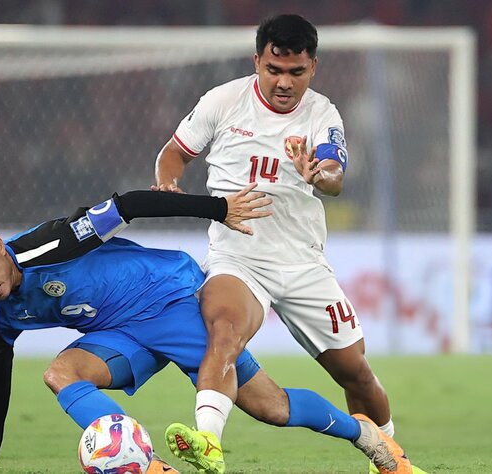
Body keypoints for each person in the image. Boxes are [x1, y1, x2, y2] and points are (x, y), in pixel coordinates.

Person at [0, 186, 410, 474]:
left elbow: (130, 205)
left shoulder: (52, 242)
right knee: (61, 373)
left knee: (271, 407)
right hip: (119, 335)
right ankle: (145, 464)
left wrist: (219, 209)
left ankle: (367, 437)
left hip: (169, 299)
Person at [153, 13, 420, 474]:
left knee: (354, 372)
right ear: (257, 61)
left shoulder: (322, 114)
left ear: (312, 67)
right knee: (224, 331)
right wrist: (169, 184)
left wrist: (320, 173)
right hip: (238, 255)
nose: (283, 82)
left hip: (302, 263)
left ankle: (391, 457)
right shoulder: (223, 101)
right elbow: (172, 154)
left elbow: (335, 177)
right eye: (274, 70)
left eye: (295, 72)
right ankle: (208, 442)